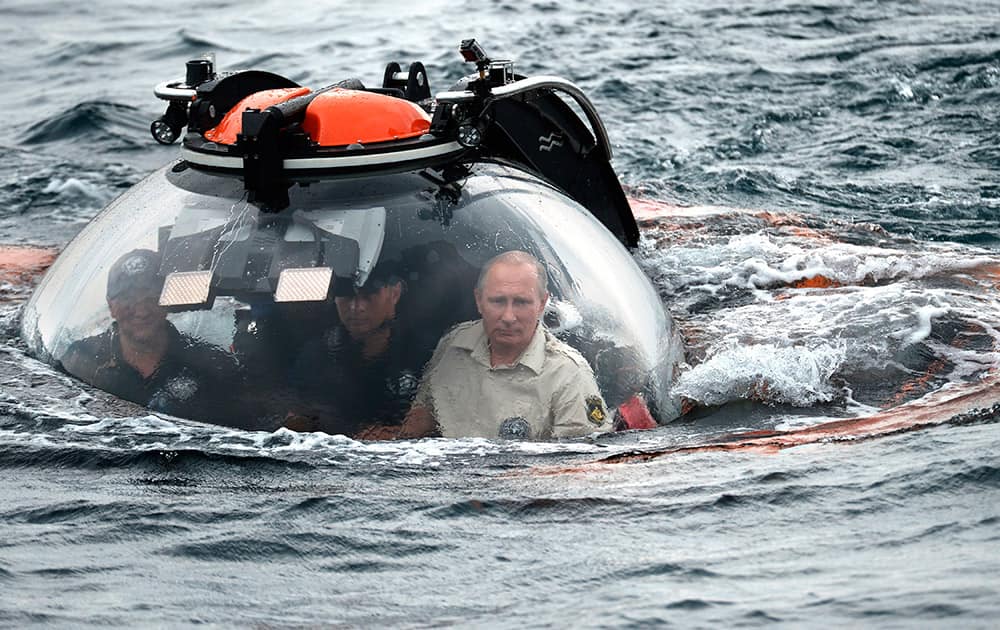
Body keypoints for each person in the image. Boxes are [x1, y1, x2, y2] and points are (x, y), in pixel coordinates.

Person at [395, 250, 612, 440]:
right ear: (479, 301)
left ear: (542, 304)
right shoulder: (454, 345)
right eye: (498, 301)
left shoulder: (568, 375)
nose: (508, 316)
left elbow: (582, 467)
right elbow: (420, 421)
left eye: (521, 302)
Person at [59, 249, 243, 424]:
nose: (141, 311)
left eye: (151, 297)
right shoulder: (80, 361)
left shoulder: (213, 367)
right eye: (128, 299)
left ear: (168, 301)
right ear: (111, 305)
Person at [284, 264, 429, 436]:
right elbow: (296, 420)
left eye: (369, 294)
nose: (355, 307)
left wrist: (399, 435)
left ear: (394, 293)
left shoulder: (426, 356)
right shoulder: (316, 356)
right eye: (346, 295)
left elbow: (442, 423)